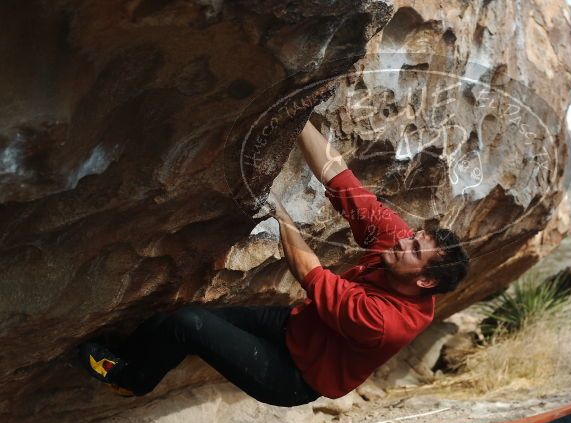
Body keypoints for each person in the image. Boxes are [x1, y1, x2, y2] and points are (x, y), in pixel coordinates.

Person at [80, 121, 470, 405]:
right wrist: (299, 118)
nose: (403, 241)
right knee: (173, 319)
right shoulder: (398, 246)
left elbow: (309, 273)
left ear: (424, 282)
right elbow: (338, 176)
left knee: (188, 325)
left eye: (415, 251)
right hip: (298, 326)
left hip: (293, 377)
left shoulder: (385, 322)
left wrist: (282, 217)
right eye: (413, 237)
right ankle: (127, 354)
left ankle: (129, 380)